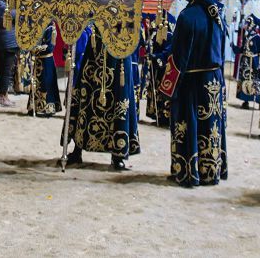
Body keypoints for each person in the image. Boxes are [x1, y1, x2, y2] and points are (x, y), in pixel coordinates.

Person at [159, 0, 228, 187]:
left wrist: (167, 85)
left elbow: (180, 57)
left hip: (192, 81)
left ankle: (189, 171)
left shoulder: (187, 17)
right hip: (214, 80)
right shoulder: (216, 15)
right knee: (211, 126)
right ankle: (211, 170)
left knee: (189, 125)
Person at [64, 22, 140, 171]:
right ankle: (78, 148)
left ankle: (118, 154)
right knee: (85, 96)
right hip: (95, 49)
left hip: (119, 52)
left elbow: (132, 27)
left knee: (119, 101)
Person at [144, 12, 174, 126]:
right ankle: (156, 113)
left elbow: (168, 51)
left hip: (163, 67)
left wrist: (157, 57)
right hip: (155, 66)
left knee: (163, 90)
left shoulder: (169, 35)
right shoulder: (155, 32)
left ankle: (164, 116)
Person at [29, 22, 61, 117]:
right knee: (36, 84)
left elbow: (49, 47)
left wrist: (35, 49)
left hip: (47, 61)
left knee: (47, 84)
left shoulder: (51, 28)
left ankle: (48, 108)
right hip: (39, 61)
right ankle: (35, 106)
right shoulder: (39, 26)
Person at [233, 14, 260, 110]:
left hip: (253, 62)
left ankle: (259, 101)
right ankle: (245, 100)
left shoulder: (257, 37)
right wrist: (234, 47)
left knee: (255, 82)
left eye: (247, 23)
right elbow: (242, 49)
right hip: (245, 63)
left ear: (252, 24)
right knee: (245, 81)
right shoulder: (247, 36)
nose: (245, 25)